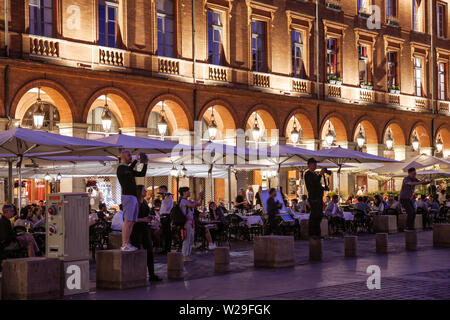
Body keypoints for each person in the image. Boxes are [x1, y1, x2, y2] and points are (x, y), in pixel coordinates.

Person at [116, 150, 148, 251]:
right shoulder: (121, 168)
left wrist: (145, 164)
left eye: (131, 155)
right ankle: (124, 244)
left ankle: (127, 243)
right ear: (122, 156)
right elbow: (129, 170)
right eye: (129, 155)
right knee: (128, 221)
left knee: (132, 221)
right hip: (128, 196)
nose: (130, 157)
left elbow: (141, 173)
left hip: (133, 197)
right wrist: (136, 160)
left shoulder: (128, 169)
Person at [129, 185, 162, 282]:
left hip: (144, 229)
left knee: (150, 251)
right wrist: (143, 219)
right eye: (144, 190)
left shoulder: (144, 203)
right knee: (137, 251)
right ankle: (137, 274)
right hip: (135, 230)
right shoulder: (134, 203)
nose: (145, 191)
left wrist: (150, 217)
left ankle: (151, 274)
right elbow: (129, 219)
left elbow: (147, 214)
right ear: (139, 191)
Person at [304, 158, 328, 239]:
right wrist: (320, 175)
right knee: (314, 216)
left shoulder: (314, 174)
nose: (315, 166)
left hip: (318, 197)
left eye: (316, 164)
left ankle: (317, 233)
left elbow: (317, 185)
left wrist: (324, 188)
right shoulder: (307, 174)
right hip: (313, 198)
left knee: (319, 216)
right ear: (309, 165)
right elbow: (313, 184)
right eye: (314, 164)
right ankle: (312, 234)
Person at [179, 187, 204, 262]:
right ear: (184, 193)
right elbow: (193, 205)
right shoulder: (183, 201)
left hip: (191, 222)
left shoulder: (188, 200)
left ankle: (188, 255)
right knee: (187, 239)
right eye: (188, 191)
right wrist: (199, 196)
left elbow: (198, 204)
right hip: (186, 222)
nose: (189, 192)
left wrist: (201, 198)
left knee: (191, 239)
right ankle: (184, 256)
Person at [158, 185, 173, 255]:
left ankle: (167, 249)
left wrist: (164, 198)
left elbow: (167, 207)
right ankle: (164, 249)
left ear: (165, 189)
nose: (160, 192)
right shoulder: (164, 198)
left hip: (166, 217)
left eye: (161, 190)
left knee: (167, 234)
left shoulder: (169, 197)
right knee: (164, 234)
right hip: (163, 217)